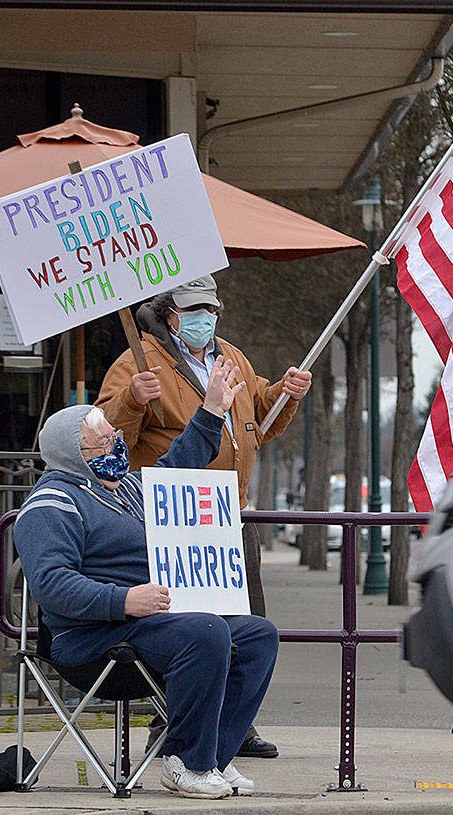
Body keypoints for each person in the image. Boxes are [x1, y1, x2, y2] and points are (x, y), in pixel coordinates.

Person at [14, 356, 278, 799]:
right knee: (206, 631)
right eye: (102, 444)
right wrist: (123, 600)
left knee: (257, 635)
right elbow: (52, 584)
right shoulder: (51, 503)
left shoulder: (129, 489)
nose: (116, 447)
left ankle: (211, 757)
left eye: (114, 438)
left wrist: (212, 409)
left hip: (148, 624)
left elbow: (179, 464)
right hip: (92, 638)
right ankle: (186, 763)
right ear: (74, 456)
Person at [95, 272, 310, 759]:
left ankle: (235, 722)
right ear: (169, 313)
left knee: (245, 622)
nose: (204, 318)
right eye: (193, 310)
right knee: (189, 626)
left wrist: (286, 393)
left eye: (210, 308)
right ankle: (171, 718)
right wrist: (132, 400)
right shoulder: (137, 363)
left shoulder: (231, 357)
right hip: (173, 518)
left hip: (231, 514)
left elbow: (260, 419)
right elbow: (105, 438)